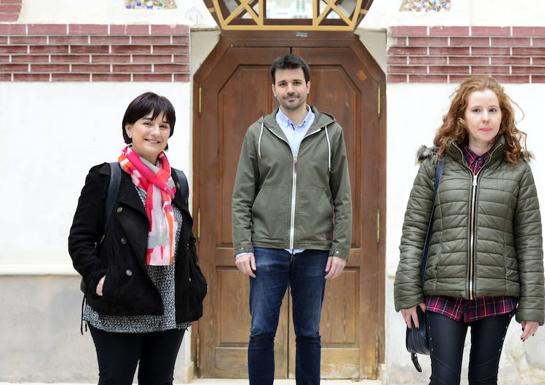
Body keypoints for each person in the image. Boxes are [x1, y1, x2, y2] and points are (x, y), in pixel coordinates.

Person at [394, 76, 544, 385]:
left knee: (484, 380)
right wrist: (407, 292)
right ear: (462, 116)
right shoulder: (434, 165)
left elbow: (529, 241)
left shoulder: (518, 170)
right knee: (444, 380)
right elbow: (413, 231)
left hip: (496, 294)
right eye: (476, 110)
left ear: (503, 116)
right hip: (442, 292)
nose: (485, 118)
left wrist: (532, 305)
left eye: (492, 110)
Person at [68, 92, 207, 385]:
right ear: (129, 128)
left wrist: (194, 280)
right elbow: (80, 239)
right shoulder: (107, 177)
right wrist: (100, 280)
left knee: (159, 381)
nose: (156, 132)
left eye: (164, 125)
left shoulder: (176, 182)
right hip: (121, 302)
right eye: (148, 123)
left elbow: (186, 240)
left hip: (169, 303)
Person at [231, 54, 352, 385]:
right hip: (266, 248)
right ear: (273, 89)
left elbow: (342, 194)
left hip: (314, 250)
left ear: (308, 86)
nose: (290, 89)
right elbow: (242, 195)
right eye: (283, 83)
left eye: (296, 82)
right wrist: (243, 246)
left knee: (309, 333)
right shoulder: (257, 133)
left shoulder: (331, 132)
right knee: (260, 331)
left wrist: (340, 248)